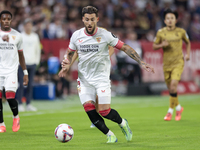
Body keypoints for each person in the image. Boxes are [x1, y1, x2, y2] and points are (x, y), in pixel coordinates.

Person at [59, 6, 154, 143]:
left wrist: (141, 62)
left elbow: (125, 47)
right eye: (87, 19)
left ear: (97, 19)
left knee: (104, 111)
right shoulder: (76, 35)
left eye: (92, 19)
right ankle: (110, 135)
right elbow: (71, 52)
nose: (90, 23)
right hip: (84, 80)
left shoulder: (105, 35)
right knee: (90, 110)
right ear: (83, 20)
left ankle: (123, 123)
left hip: (101, 78)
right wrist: (67, 63)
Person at [60, 46, 114, 128]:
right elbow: (77, 52)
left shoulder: (101, 35)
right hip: (85, 71)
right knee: (88, 100)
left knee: (98, 96)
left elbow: (111, 48)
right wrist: (69, 65)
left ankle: (96, 119)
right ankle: (96, 119)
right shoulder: (81, 38)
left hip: (100, 70)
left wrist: (105, 58)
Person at [153, 8, 190, 121]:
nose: (170, 20)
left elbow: (188, 43)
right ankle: (179, 108)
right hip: (167, 64)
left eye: (172, 18)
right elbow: (154, 46)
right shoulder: (160, 32)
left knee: (173, 86)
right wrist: (161, 45)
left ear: (176, 20)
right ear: (164, 20)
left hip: (178, 62)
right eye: (168, 18)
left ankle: (170, 112)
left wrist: (187, 54)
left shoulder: (181, 32)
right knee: (171, 90)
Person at [0, 10, 28, 132]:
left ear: (11, 20)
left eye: (8, 19)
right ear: (0, 20)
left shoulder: (17, 36)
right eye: (4, 19)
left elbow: (21, 55)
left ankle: (16, 117)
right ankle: (1, 124)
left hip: (11, 71)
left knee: (10, 97)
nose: (6, 21)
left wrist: (25, 72)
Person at [16, 19, 41, 112]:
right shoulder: (20, 36)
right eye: (26, 25)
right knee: (22, 84)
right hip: (23, 64)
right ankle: (20, 104)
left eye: (30, 25)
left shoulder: (35, 36)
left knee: (30, 85)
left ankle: (29, 104)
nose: (28, 27)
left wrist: (36, 62)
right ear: (24, 26)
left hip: (32, 63)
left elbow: (37, 50)